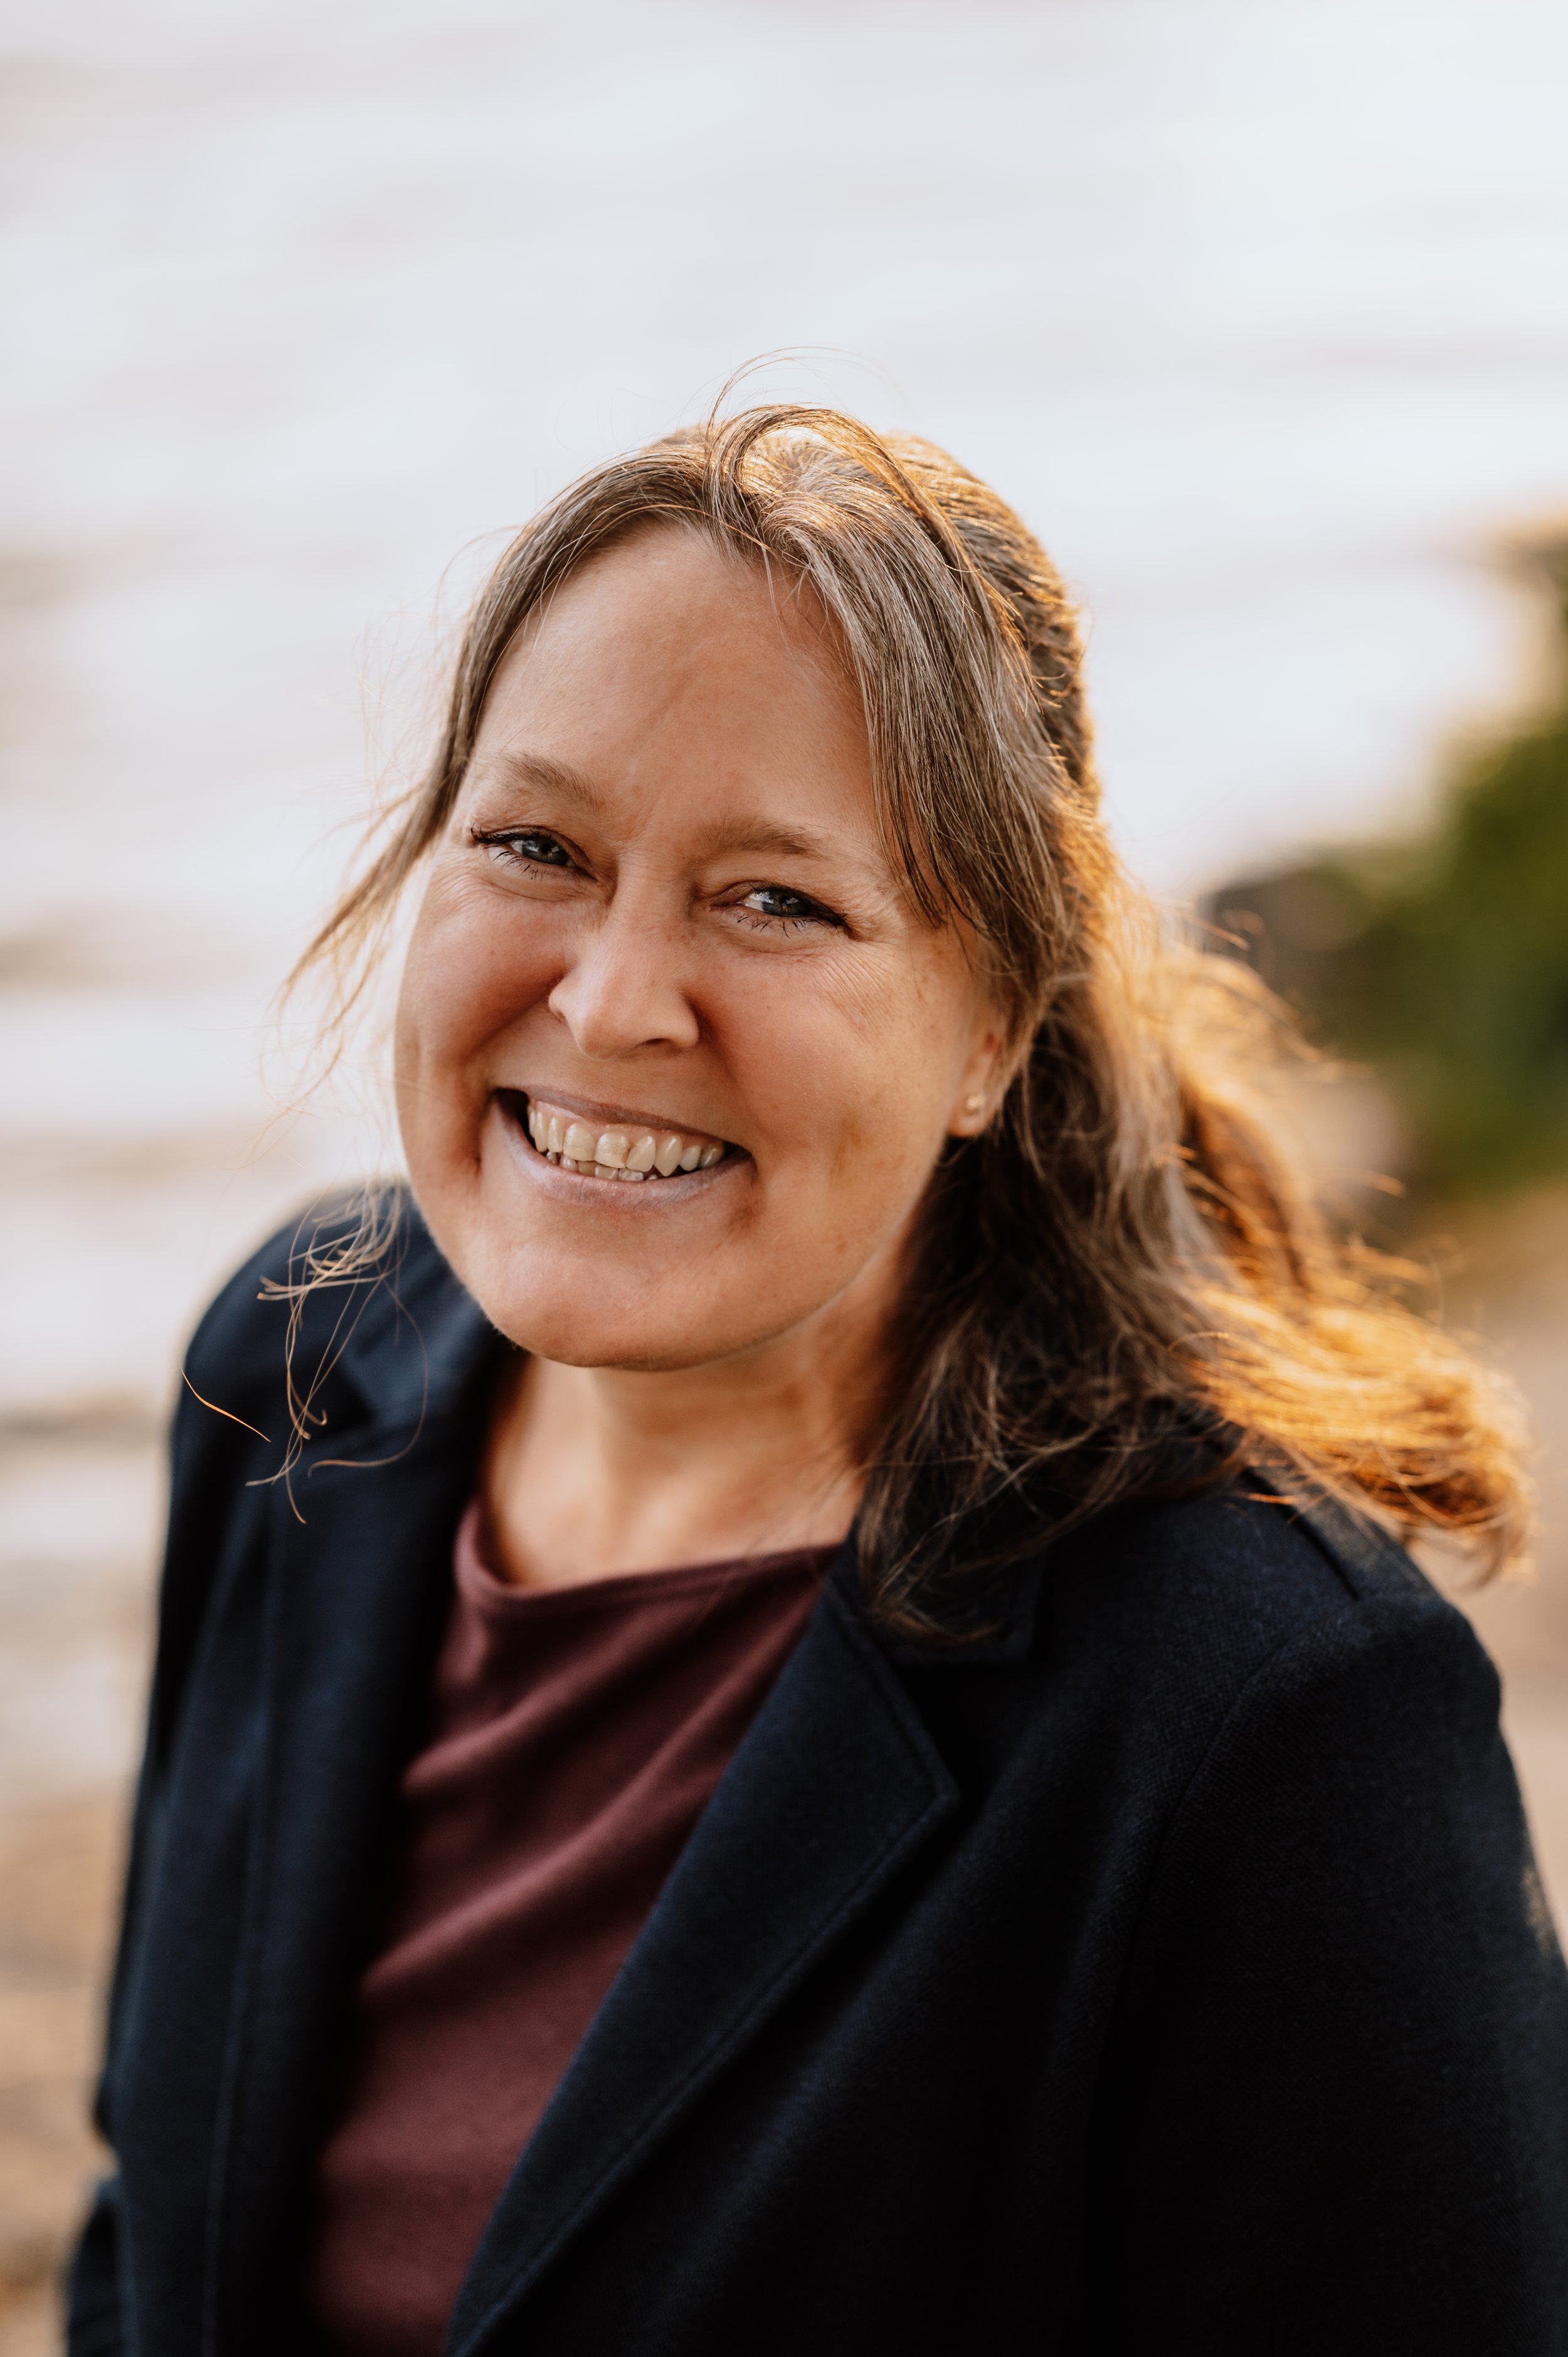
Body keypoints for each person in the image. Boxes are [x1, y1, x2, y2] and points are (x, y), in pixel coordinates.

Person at [68, 408, 1568, 2357]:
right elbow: (154, 2238)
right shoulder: (291, 1366)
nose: (611, 1002)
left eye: (774, 899)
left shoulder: (1268, 1716)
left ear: (989, 1033)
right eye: (534, 845)